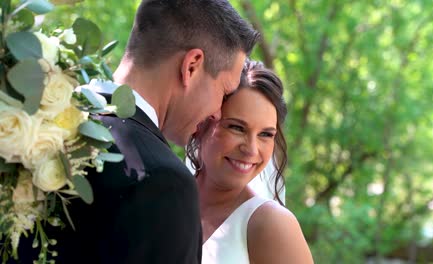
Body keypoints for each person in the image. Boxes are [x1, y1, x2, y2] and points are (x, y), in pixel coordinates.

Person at [14, 1, 259, 263]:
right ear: (191, 66)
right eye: (223, 91)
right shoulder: (163, 183)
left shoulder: (32, 124)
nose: (217, 113)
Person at [186, 60, 314, 264]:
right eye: (237, 128)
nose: (251, 150)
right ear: (201, 123)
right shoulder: (164, 199)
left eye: (265, 134)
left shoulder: (271, 224)